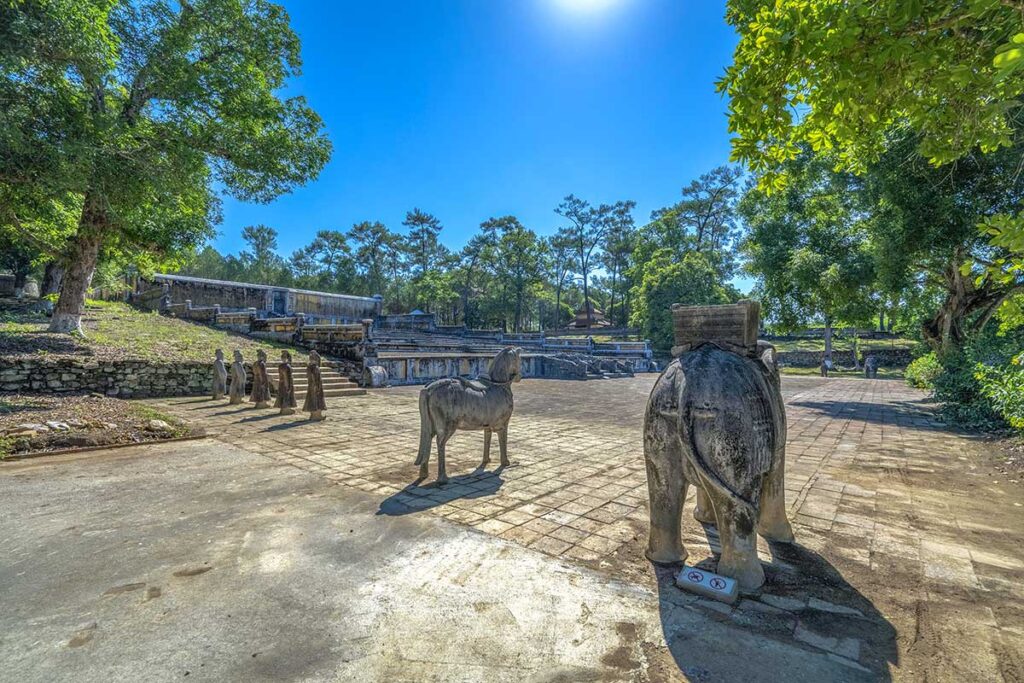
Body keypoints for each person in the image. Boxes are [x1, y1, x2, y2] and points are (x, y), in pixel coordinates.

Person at [303, 350, 327, 421]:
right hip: (315, 386)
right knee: (317, 400)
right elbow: (316, 379)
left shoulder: (309, 367)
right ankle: (317, 415)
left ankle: (314, 414)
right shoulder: (315, 368)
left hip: (311, 386)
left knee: (312, 399)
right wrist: (318, 387)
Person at [275, 350, 298, 415]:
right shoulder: (287, 366)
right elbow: (286, 377)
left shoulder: (280, 366)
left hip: (281, 383)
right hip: (286, 383)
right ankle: (286, 409)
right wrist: (288, 386)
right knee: (287, 395)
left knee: (282, 394)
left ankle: (283, 408)